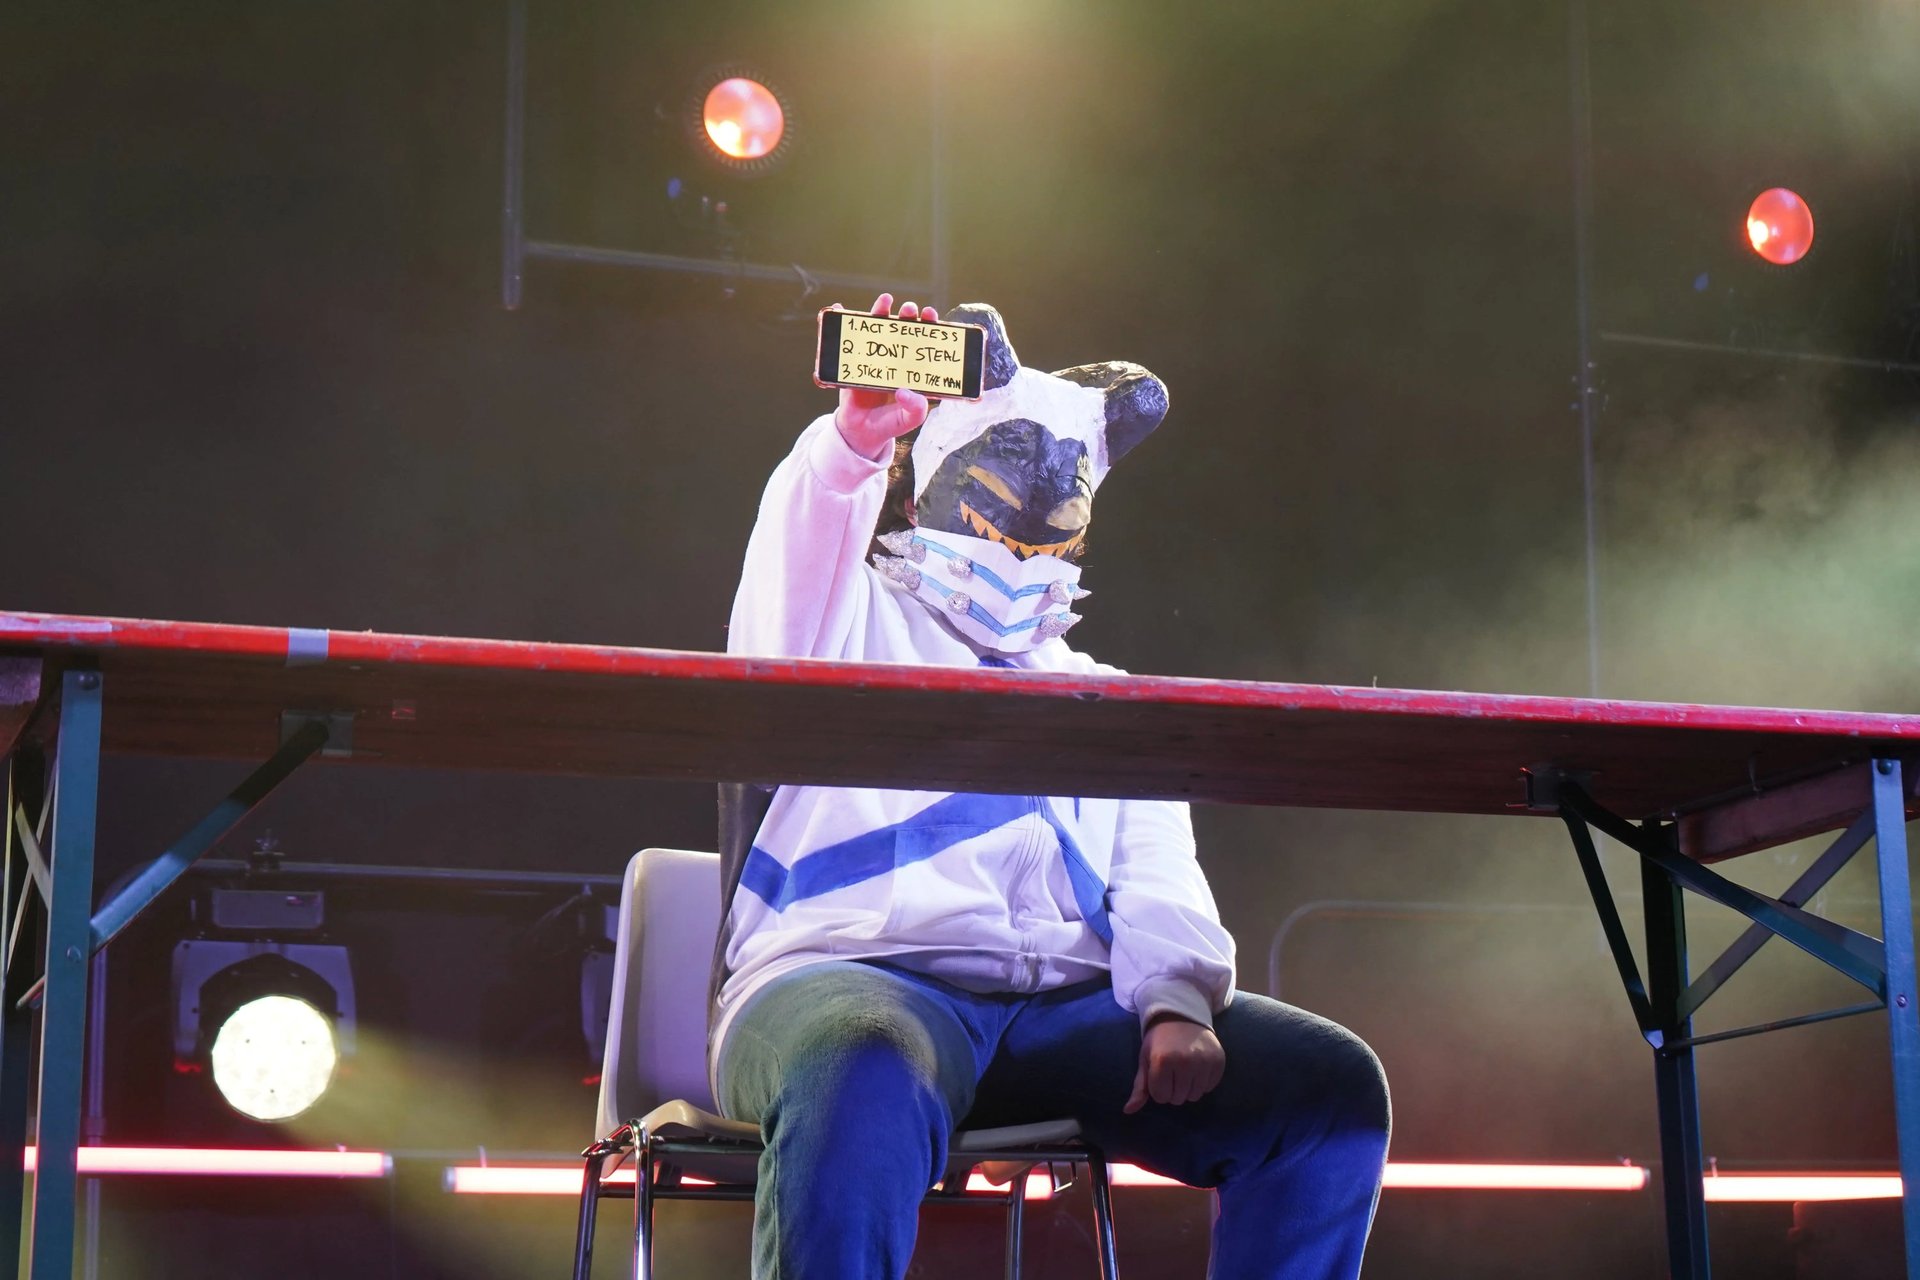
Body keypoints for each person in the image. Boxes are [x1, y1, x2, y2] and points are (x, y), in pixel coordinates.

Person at [713, 295, 1390, 1279]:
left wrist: (1174, 1000)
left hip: (1060, 1012)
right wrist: (852, 444)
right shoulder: (842, 623)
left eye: (1052, 521)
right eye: (995, 504)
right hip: (848, 981)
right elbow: (786, 581)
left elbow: (1159, 867)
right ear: (923, 495)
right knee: (859, 1059)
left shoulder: (1105, 695)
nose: (1020, 544)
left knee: (1326, 1090)